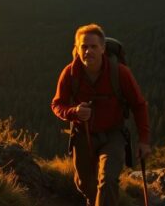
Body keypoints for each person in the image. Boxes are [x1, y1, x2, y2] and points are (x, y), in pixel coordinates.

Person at [51, 24, 151, 206]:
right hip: (83, 134)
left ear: (103, 48)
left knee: (108, 181)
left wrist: (144, 141)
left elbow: (139, 105)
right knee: (85, 184)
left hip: (114, 135)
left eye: (93, 46)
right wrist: (74, 113)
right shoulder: (70, 73)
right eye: (84, 46)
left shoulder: (120, 73)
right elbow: (57, 104)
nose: (88, 51)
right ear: (77, 48)